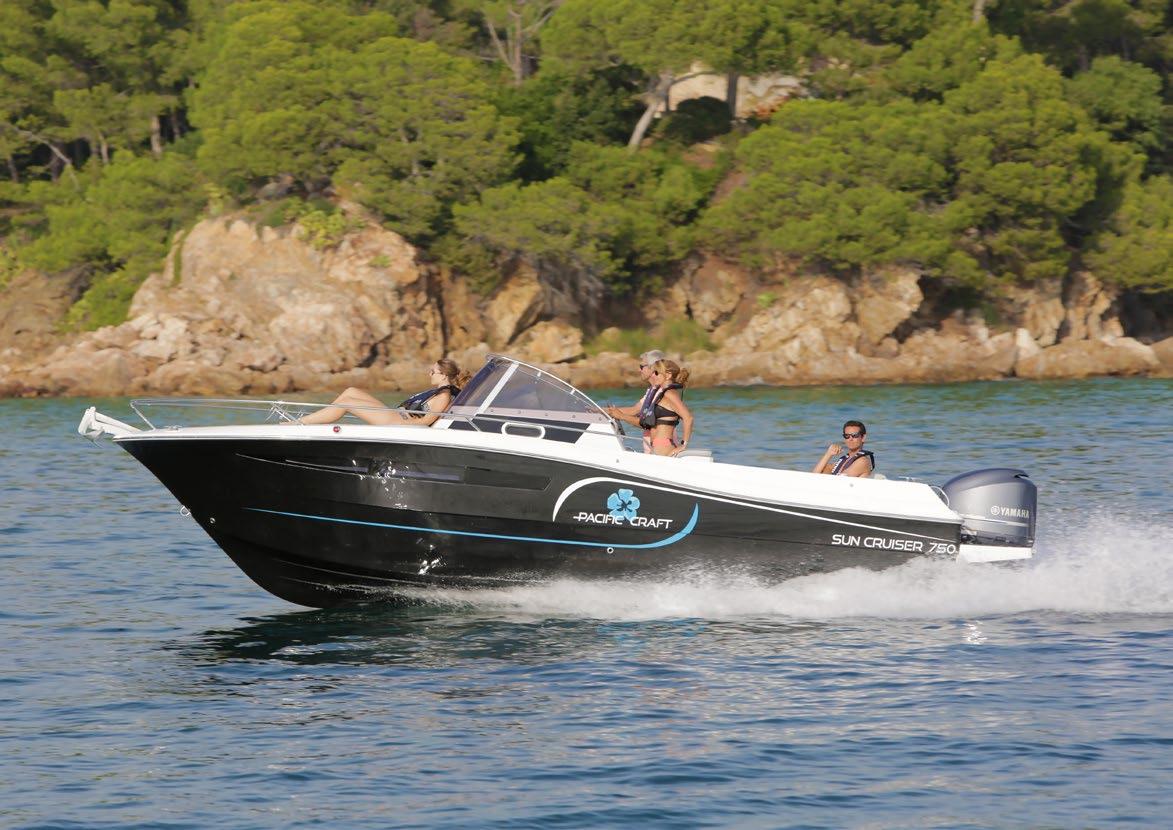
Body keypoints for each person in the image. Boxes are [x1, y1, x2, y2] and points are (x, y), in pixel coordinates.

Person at [297, 358, 470, 426]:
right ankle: (315, 420)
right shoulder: (440, 392)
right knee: (351, 391)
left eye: (433, 371)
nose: (429, 374)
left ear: (443, 375)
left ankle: (302, 423)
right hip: (395, 415)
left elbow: (427, 421)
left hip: (397, 422)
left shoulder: (443, 396)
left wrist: (402, 424)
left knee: (347, 403)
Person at [605, 349, 668, 452]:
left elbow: (647, 423)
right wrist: (601, 411)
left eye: (641, 366)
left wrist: (621, 416)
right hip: (652, 447)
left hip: (660, 449)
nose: (639, 370)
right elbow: (635, 410)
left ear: (652, 367)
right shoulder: (652, 390)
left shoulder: (662, 392)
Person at [644, 359, 693, 457]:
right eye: (652, 372)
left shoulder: (670, 394)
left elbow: (688, 418)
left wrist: (683, 444)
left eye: (656, 373)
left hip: (664, 448)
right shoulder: (663, 393)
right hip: (657, 447)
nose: (653, 375)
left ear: (668, 375)